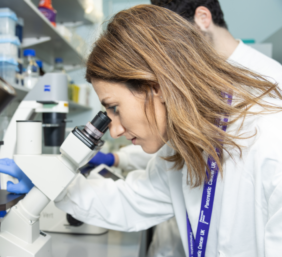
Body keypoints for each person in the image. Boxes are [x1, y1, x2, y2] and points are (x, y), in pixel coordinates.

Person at [0, 5, 282, 257]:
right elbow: (131, 201)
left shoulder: (271, 143)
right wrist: (50, 184)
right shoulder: (184, 148)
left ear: (156, 86)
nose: (114, 130)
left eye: (114, 108)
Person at [89, 0, 282, 174]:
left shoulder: (269, 89)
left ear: (202, 19)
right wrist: (119, 158)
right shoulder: (189, 99)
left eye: (172, 36)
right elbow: (171, 151)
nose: (169, 53)